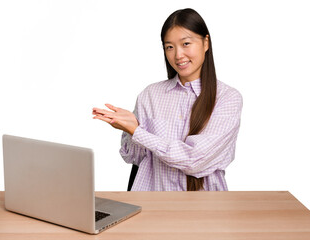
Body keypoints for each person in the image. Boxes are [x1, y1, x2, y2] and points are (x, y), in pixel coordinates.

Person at [92, 8, 243, 191]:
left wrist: (138, 132)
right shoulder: (150, 95)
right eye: (169, 47)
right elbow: (134, 158)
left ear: (205, 43)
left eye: (186, 43)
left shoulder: (227, 98)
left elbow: (195, 161)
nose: (178, 55)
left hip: (206, 209)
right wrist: (129, 130)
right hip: (151, 205)